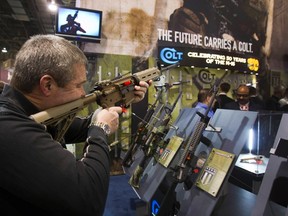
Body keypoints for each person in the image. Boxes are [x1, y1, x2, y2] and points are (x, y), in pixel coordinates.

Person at [0, 35, 150, 215]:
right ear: (47, 85)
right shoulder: (8, 127)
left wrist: (124, 98)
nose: (82, 94)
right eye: (79, 85)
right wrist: (101, 129)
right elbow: (89, 199)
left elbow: (81, 127)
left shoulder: (24, 111)